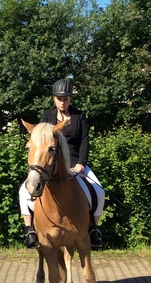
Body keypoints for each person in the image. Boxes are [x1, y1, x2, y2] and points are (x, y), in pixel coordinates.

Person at [20, 79, 105, 248]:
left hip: (75, 163)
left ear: (70, 99)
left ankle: (93, 228)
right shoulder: (47, 116)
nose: (62, 102)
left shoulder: (79, 116)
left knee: (99, 191)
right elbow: (41, 141)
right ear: (54, 98)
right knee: (24, 191)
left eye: (65, 99)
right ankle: (30, 229)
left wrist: (81, 163)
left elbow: (84, 141)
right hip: (52, 165)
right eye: (59, 99)